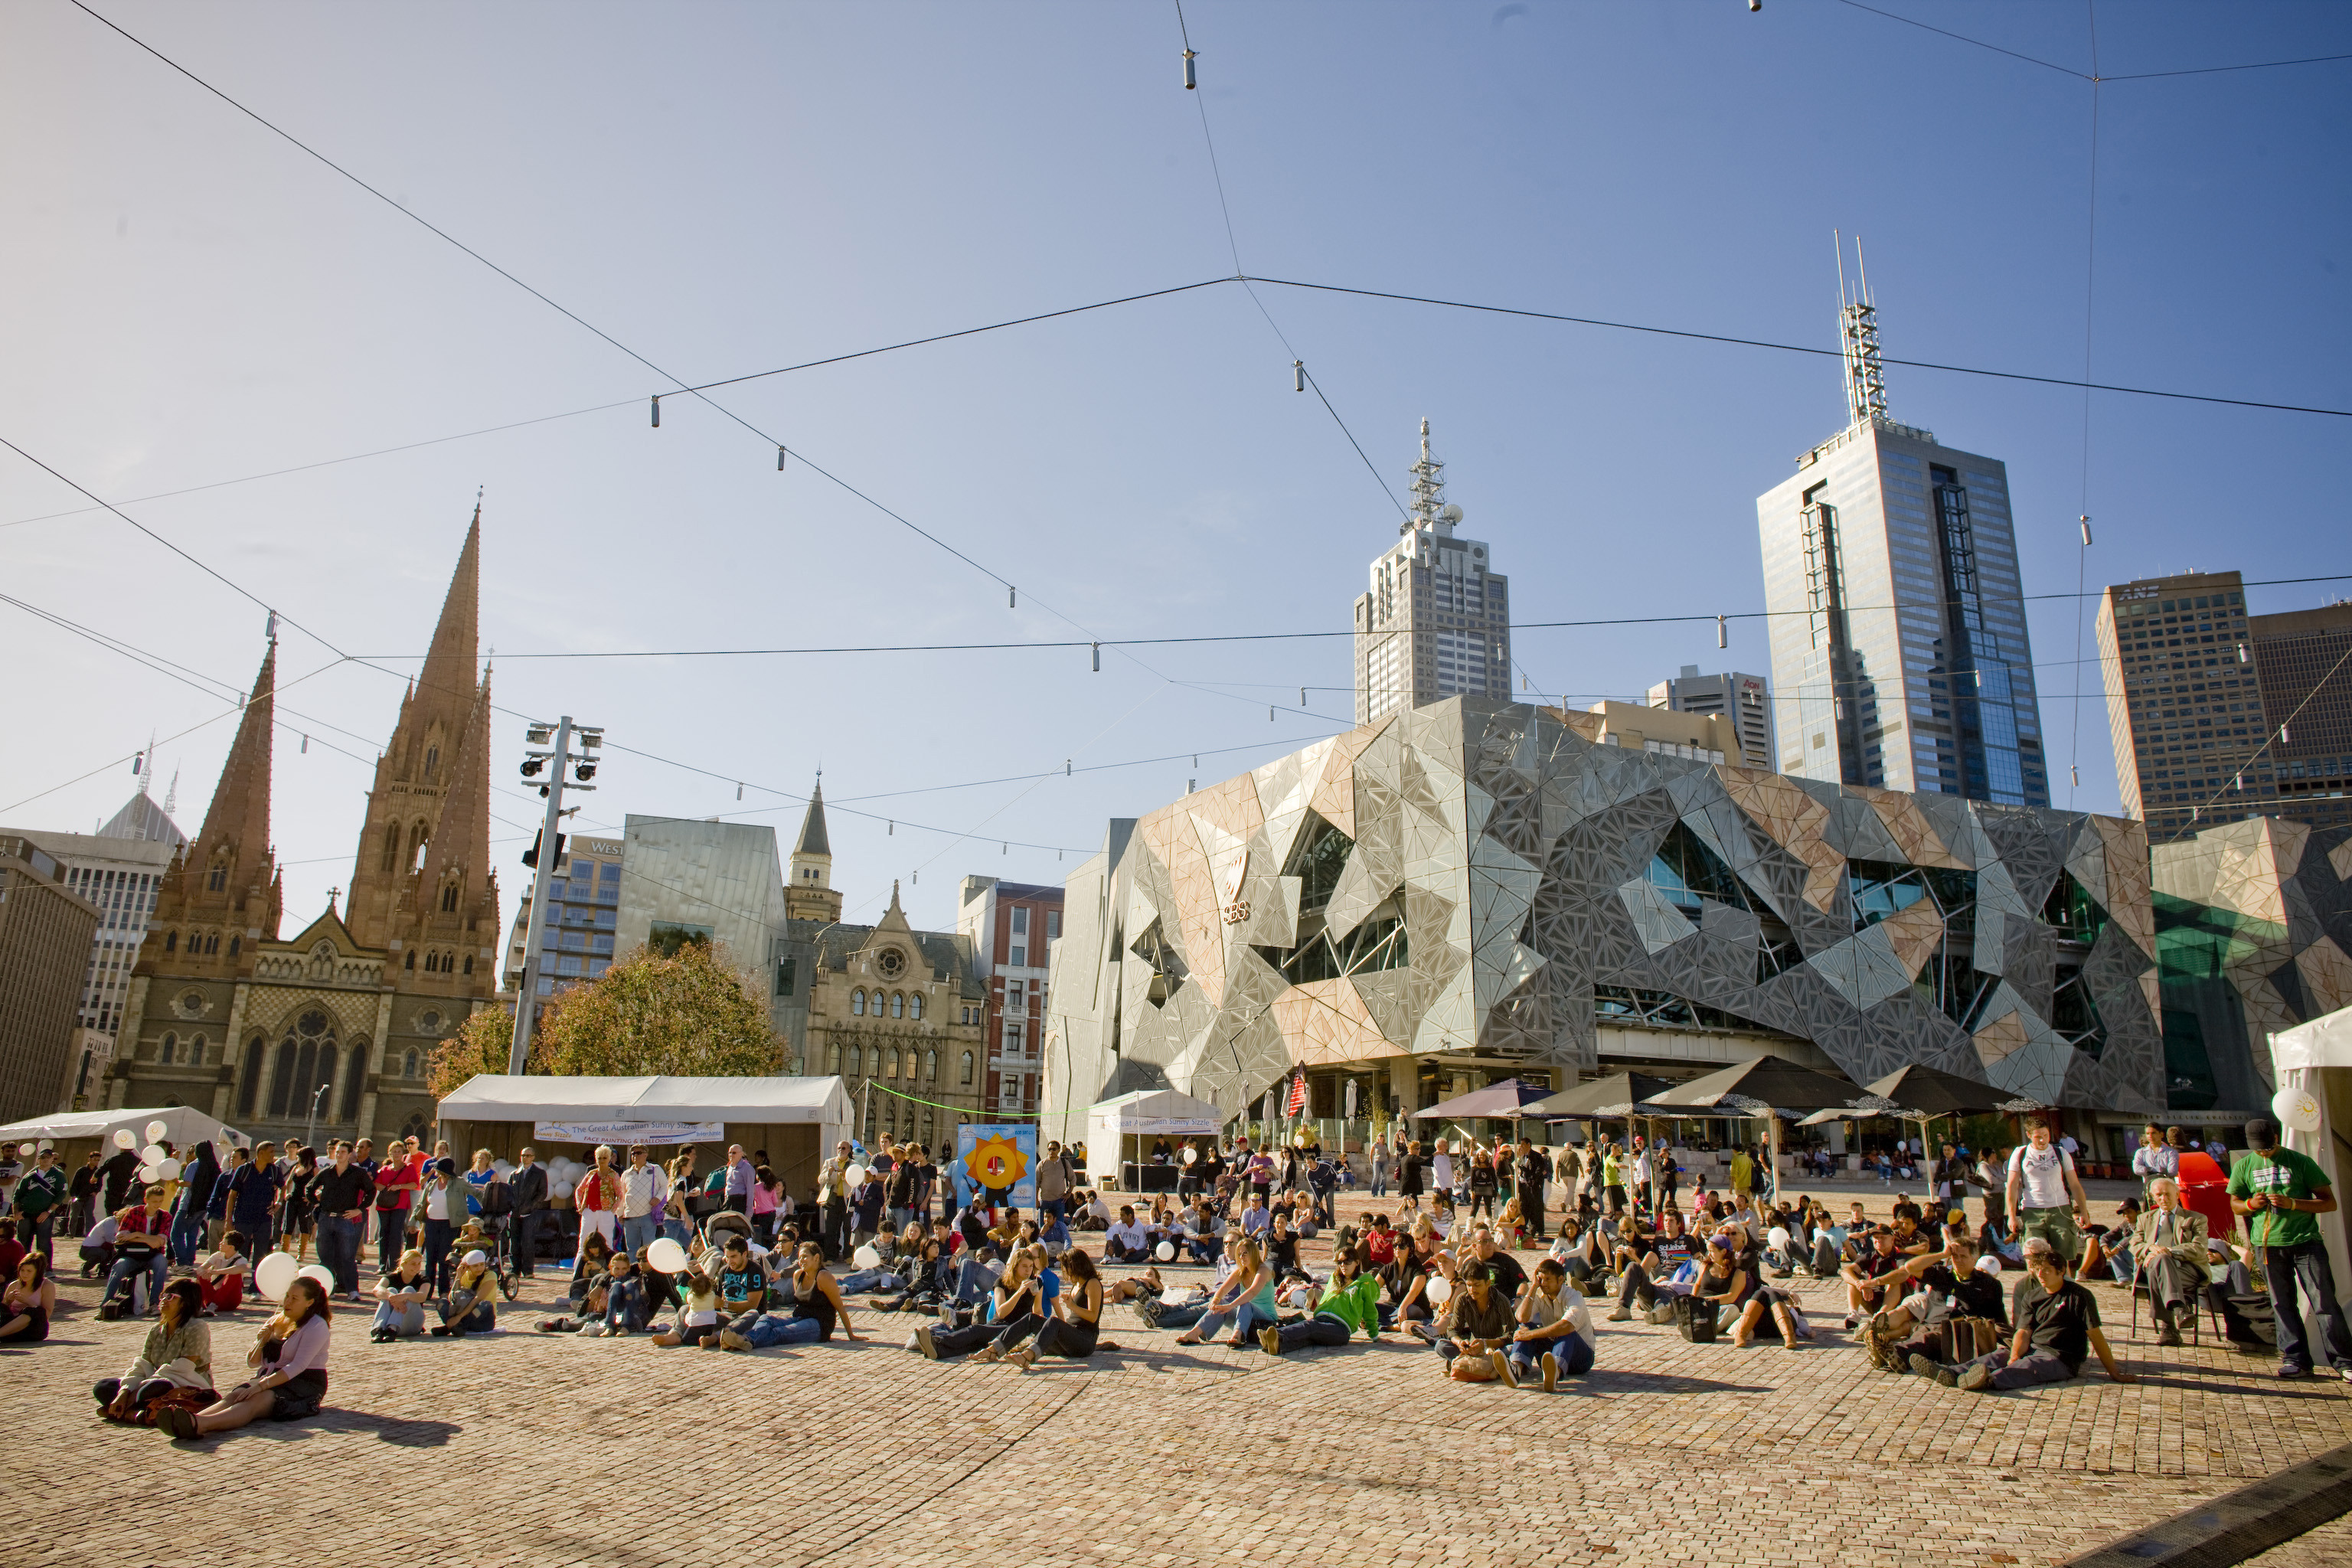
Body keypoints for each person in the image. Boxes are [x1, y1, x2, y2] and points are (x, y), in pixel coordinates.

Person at [2228, 1116, 2352, 1382]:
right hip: (2267, 1245)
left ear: (2276, 1139)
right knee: (2282, 1303)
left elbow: (2329, 1203)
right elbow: (2235, 1204)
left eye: (2268, 1148)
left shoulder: (2300, 1162)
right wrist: (2251, 1204)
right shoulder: (2244, 1166)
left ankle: (2344, 1361)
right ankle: (2296, 1360)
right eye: (2259, 1149)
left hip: (2306, 1242)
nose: (2264, 1153)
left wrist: (2293, 1204)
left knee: (2324, 1302)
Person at [1943, 1236, 2135, 1392]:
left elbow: (2096, 1336)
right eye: (2037, 1271)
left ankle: (1988, 1381)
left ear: (2061, 1271)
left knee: (2025, 1368)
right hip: (2034, 1347)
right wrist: (2014, 1355)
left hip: (2060, 1357)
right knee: (2000, 1355)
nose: (2040, 1275)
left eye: (2046, 1271)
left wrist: (2114, 1373)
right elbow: (2023, 1332)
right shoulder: (2032, 1296)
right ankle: (1952, 1372)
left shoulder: (2079, 1296)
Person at [156, 1275, 334, 1440]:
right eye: (287, 1296)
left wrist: (262, 1385)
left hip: (303, 1382)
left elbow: (297, 1367)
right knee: (237, 1395)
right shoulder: (278, 1319)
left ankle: (201, 1425)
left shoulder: (316, 1326)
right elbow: (253, 1362)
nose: (287, 1301)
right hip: (270, 1376)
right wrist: (261, 1342)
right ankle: (192, 1419)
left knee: (256, 1401)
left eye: (295, 1299)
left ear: (309, 1302)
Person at [94, 1278, 212, 1421]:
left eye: (170, 1297)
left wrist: (139, 1388)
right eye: (162, 1296)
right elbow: (143, 1364)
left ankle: (130, 1412)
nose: (163, 1300)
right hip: (152, 1380)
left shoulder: (197, 1327)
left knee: (156, 1387)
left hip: (186, 1382)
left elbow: (183, 1367)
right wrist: (124, 1392)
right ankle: (136, 1411)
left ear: (185, 1303)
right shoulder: (156, 1330)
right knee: (103, 1387)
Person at [1259, 1246, 1383, 1357]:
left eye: (1347, 1261)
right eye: (1340, 1262)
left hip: (1341, 1328)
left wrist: (1375, 1336)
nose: (1343, 1265)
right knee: (1308, 1336)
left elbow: (1369, 1311)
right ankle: (1277, 1345)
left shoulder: (1364, 1284)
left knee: (1311, 1327)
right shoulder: (1335, 1278)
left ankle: (1277, 1335)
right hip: (1322, 1319)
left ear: (1357, 1262)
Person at [1004, 1247, 1117, 1367]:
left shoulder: (1092, 1283)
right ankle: (999, 1347)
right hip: (1071, 1337)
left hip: (1085, 1340)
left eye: (1066, 1268)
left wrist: (1073, 1306)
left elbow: (1093, 1317)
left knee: (1055, 1321)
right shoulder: (1077, 1283)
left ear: (1075, 1266)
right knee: (1032, 1319)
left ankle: (1028, 1356)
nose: (1066, 1272)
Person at [2006, 1118, 2090, 1269]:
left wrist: (2084, 1211)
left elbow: (2075, 1184)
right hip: (2032, 1210)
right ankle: (2037, 1290)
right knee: (2033, 1257)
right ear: (2029, 1135)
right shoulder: (2021, 1154)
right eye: (2038, 1136)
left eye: (2046, 1135)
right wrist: (2012, 1216)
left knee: (2063, 1260)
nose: (2043, 1140)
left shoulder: (2061, 1153)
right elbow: (2012, 1187)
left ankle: (2065, 1287)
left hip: (2060, 1209)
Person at [1174, 1236, 1277, 1348]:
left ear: (1253, 1253)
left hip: (1266, 1319)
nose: (1241, 1257)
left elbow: (1252, 1292)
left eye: (1245, 1253)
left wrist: (1231, 1306)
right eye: (1239, 1254)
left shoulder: (1263, 1270)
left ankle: (1238, 1336)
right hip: (1244, 1317)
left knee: (1244, 1303)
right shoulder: (1241, 1272)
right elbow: (1222, 1289)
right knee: (1221, 1305)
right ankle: (1194, 1334)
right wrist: (1215, 1301)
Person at [1509, 1257, 1595, 1389]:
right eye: (1541, 1279)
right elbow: (1521, 1317)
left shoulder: (1574, 1296)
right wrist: (1533, 1287)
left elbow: (1566, 1326)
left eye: (1548, 1279)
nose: (1543, 1284)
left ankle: (1554, 1373)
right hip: (1550, 1353)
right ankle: (1516, 1369)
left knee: (1566, 1330)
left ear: (1561, 1280)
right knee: (1526, 1327)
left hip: (1581, 1358)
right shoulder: (1539, 1294)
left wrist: (1532, 1334)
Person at [305, 1140, 374, 1301]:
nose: (339, 1155)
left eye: (343, 1152)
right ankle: (328, 1289)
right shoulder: (327, 1172)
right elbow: (310, 1188)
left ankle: (352, 1290)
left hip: (345, 1219)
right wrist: (316, 1203)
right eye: (337, 1152)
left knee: (348, 1257)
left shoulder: (357, 1173)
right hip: (326, 1218)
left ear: (350, 1154)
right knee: (325, 1256)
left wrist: (359, 1209)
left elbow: (371, 1191)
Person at [1436, 1261, 1519, 1383]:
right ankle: (1484, 1365)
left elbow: (1510, 1335)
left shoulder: (1501, 1301)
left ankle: (1489, 1364)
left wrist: (1485, 1344)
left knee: (1511, 1349)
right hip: (1472, 1348)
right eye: (1469, 1285)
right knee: (1440, 1345)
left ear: (1488, 1283)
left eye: (1477, 1285)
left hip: (1496, 1348)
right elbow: (1452, 1331)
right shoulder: (1463, 1300)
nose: (1472, 1290)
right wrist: (1460, 1343)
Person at [104, 1187, 174, 1317]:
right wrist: (149, 1239)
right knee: (119, 1266)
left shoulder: (165, 1216)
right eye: (154, 1201)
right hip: (131, 1255)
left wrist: (135, 1235)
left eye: (160, 1201)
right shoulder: (134, 1212)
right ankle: (106, 1304)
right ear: (146, 1200)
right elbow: (121, 1236)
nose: (157, 1204)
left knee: (162, 1263)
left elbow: (159, 1242)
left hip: (152, 1255)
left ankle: (154, 1303)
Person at [431, 1250, 499, 1337]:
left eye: (482, 1264)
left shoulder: (491, 1275)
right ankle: (456, 1327)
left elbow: (477, 1299)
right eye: (475, 1266)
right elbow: (452, 1297)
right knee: (442, 1302)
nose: (479, 1268)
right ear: (468, 1267)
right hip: (462, 1314)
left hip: (480, 1318)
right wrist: (458, 1276)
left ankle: (449, 1327)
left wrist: (459, 1317)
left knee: (486, 1305)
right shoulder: (465, 1275)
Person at [15, 1146, 66, 1261]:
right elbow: (17, 1194)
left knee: (44, 1242)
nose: (45, 1160)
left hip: (45, 1213)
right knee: (23, 1241)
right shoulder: (30, 1175)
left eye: (48, 1157)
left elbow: (61, 1195)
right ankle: (22, 1265)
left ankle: (45, 1268)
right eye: (42, 1158)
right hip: (26, 1213)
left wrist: (48, 1212)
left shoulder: (59, 1175)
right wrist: (16, 1212)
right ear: (38, 1159)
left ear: (52, 1159)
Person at [370, 1249, 432, 1341]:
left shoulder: (423, 1279)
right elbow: (376, 1289)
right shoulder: (393, 1277)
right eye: (413, 1264)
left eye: (419, 1264)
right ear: (404, 1264)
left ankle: (392, 1329)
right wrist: (392, 1297)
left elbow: (423, 1296)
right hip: (392, 1324)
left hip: (412, 1323)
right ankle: (380, 1330)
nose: (417, 1267)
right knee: (390, 1290)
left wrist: (405, 1296)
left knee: (409, 1290)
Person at [508, 1146, 549, 1277]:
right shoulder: (514, 1174)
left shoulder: (540, 1173)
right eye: (523, 1155)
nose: (525, 1158)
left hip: (530, 1213)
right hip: (515, 1213)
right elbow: (508, 1193)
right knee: (514, 1242)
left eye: (528, 1155)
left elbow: (542, 1193)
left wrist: (531, 1206)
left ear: (533, 1157)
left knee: (528, 1242)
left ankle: (528, 1270)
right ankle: (515, 1269)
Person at [574, 1145, 622, 1253]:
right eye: (599, 1158)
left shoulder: (614, 1175)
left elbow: (620, 1194)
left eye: (604, 1158)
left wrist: (613, 1210)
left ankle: (608, 1268)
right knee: (583, 1241)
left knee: (607, 1242)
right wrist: (580, 1206)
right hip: (589, 1210)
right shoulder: (591, 1173)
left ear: (609, 1159)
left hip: (606, 1211)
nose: (602, 1161)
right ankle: (579, 1269)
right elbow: (579, 1190)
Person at [0, 1254, 54, 1343]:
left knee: (33, 1310)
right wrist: (7, 1301)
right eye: (22, 1270)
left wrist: (28, 1302)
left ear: (37, 1272)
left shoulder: (47, 1285)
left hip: (33, 1329)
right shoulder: (14, 1285)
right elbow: (3, 1311)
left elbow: (46, 1314)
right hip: (10, 1328)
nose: (25, 1274)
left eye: (29, 1271)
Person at [195, 1230, 250, 1315]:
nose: (220, 1244)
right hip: (213, 1296)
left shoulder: (241, 1260)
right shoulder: (217, 1255)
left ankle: (213, 1305)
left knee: (235, 1275)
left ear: (231, 1247)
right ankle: (201, 1305)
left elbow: (241, 1268)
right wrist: (204, 1272)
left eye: (223, 1242)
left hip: (230, 1300)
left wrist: (213, 1271)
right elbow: (201, 1268)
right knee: (201, 1275)